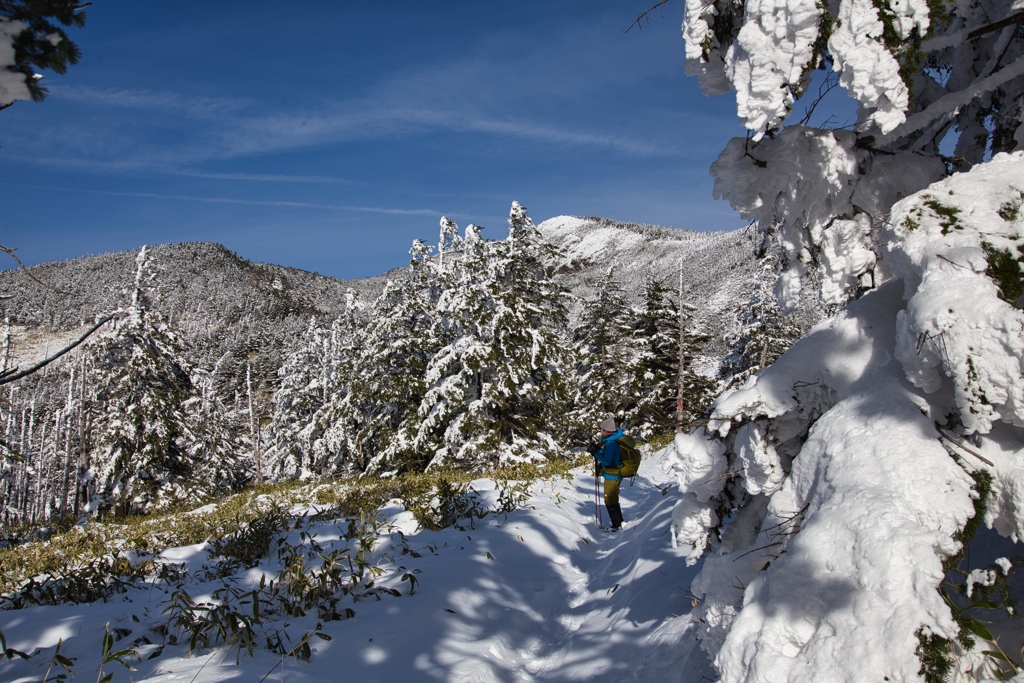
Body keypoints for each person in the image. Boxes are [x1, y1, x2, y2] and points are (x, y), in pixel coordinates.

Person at [591, 415, 630, 531]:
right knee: (612, 498)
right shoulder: (612, 441)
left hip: (613, 475)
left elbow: (607, 461)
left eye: (602, 429)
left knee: (609, 499)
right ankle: (618, 523)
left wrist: (595, 453)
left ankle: (617, 525)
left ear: (607, 431)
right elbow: (608, 456)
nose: (600, 431)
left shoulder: (612, 443)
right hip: (614, 474)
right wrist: (598, 450)